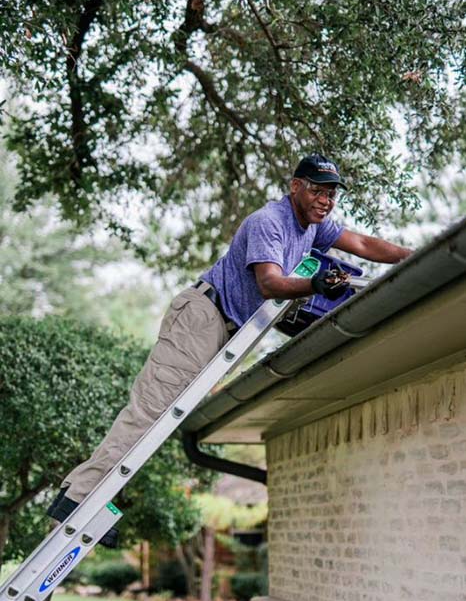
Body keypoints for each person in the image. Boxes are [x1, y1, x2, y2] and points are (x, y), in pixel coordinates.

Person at [48, 153, 411, 546]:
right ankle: (79, 498)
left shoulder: (312, 228)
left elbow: (359, 242)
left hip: (221, 329)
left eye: (332, 194)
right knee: (149, 414)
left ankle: (83, 495)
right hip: (203, 317)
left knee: (157, 420)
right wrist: (316, 285)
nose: (326, 200)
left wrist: (412, 258)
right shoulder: (268, 222)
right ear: (295, 187)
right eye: (317, 190)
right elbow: (270, 283)